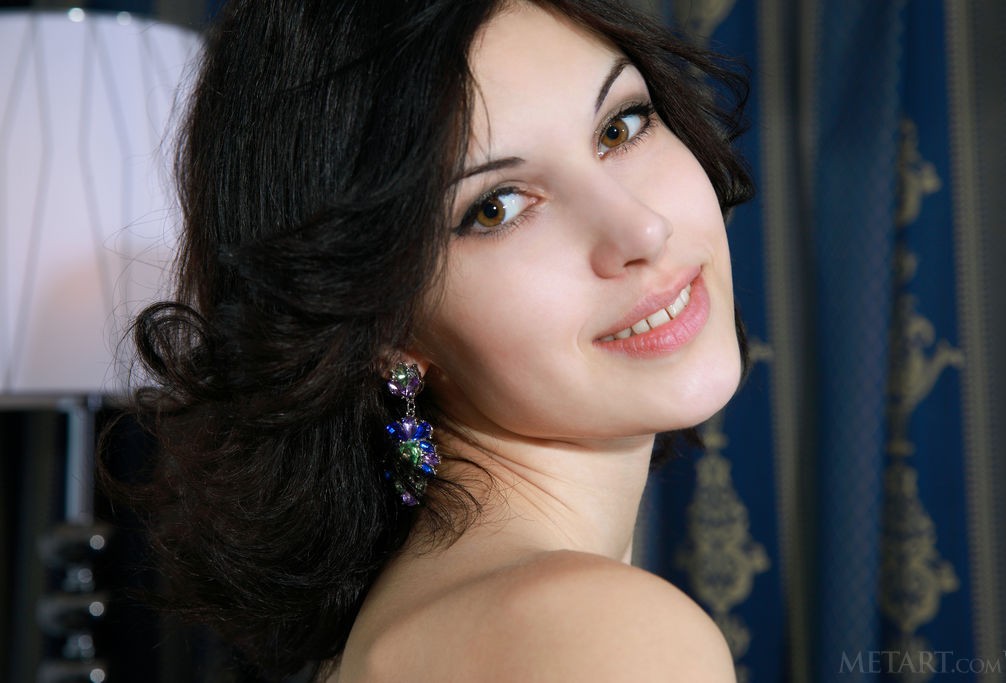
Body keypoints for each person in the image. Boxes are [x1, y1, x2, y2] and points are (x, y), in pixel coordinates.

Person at [127, 0, 754, 680]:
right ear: (380, 320)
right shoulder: (598, 636)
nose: (642, 231)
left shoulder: (417, 623)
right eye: (497, 207)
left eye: (619, 128)